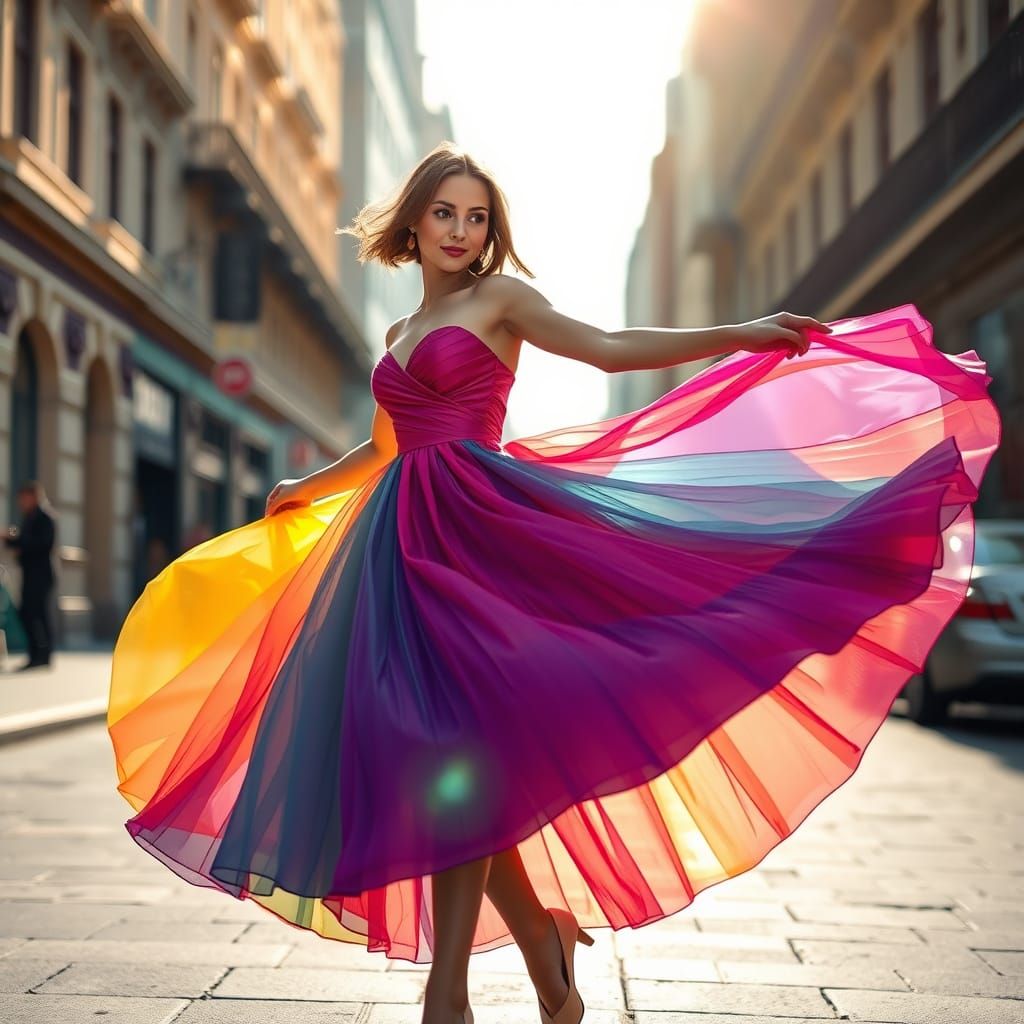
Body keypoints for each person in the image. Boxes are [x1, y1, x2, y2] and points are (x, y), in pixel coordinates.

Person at [106, 143, 1000, 1024]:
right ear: (414, 222)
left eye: (476, 217)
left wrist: (738, 333)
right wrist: (310, 484)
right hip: (395, 551)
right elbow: (385, 446)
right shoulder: (397, 334)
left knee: (459, 749)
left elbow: (607, 348)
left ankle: (447, 995)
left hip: (482, 537)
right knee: (435, 756)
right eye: (444, 212)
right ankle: (540, 937)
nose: (460, 230)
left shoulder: (502, 300)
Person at [4, 480, 57, 670]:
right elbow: (25, 541)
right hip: (30, 573)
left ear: (34, 497)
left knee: (37, 614)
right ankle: (36, 654)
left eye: (24, 498)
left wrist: (18, 542)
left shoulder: (45, 517)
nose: (21, 502)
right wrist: (11, 540)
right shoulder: (30, 516)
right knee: (28, 613)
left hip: (40, 575)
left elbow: (41, 544)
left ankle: (43, 655)